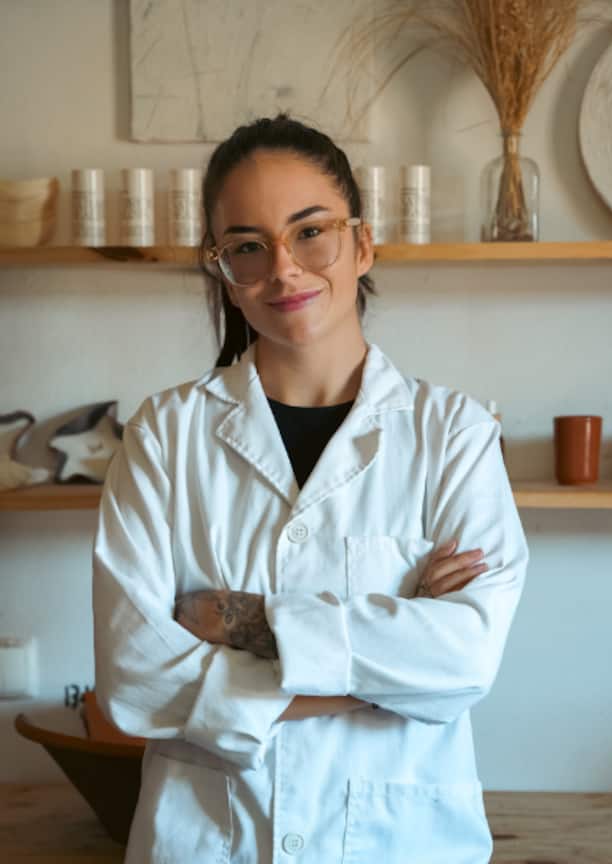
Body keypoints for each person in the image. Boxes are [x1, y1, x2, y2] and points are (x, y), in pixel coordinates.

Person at [92, 114, 528, 864]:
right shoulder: (165, 434)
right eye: (248, 247)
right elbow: (134, 681)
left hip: (399, 843)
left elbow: (466, 662)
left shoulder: (453, 434)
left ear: (362, 244)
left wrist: (244, 622)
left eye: (310, 232)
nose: (284, 270)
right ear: (222, 271)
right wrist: (389, 669)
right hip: (208, 840)